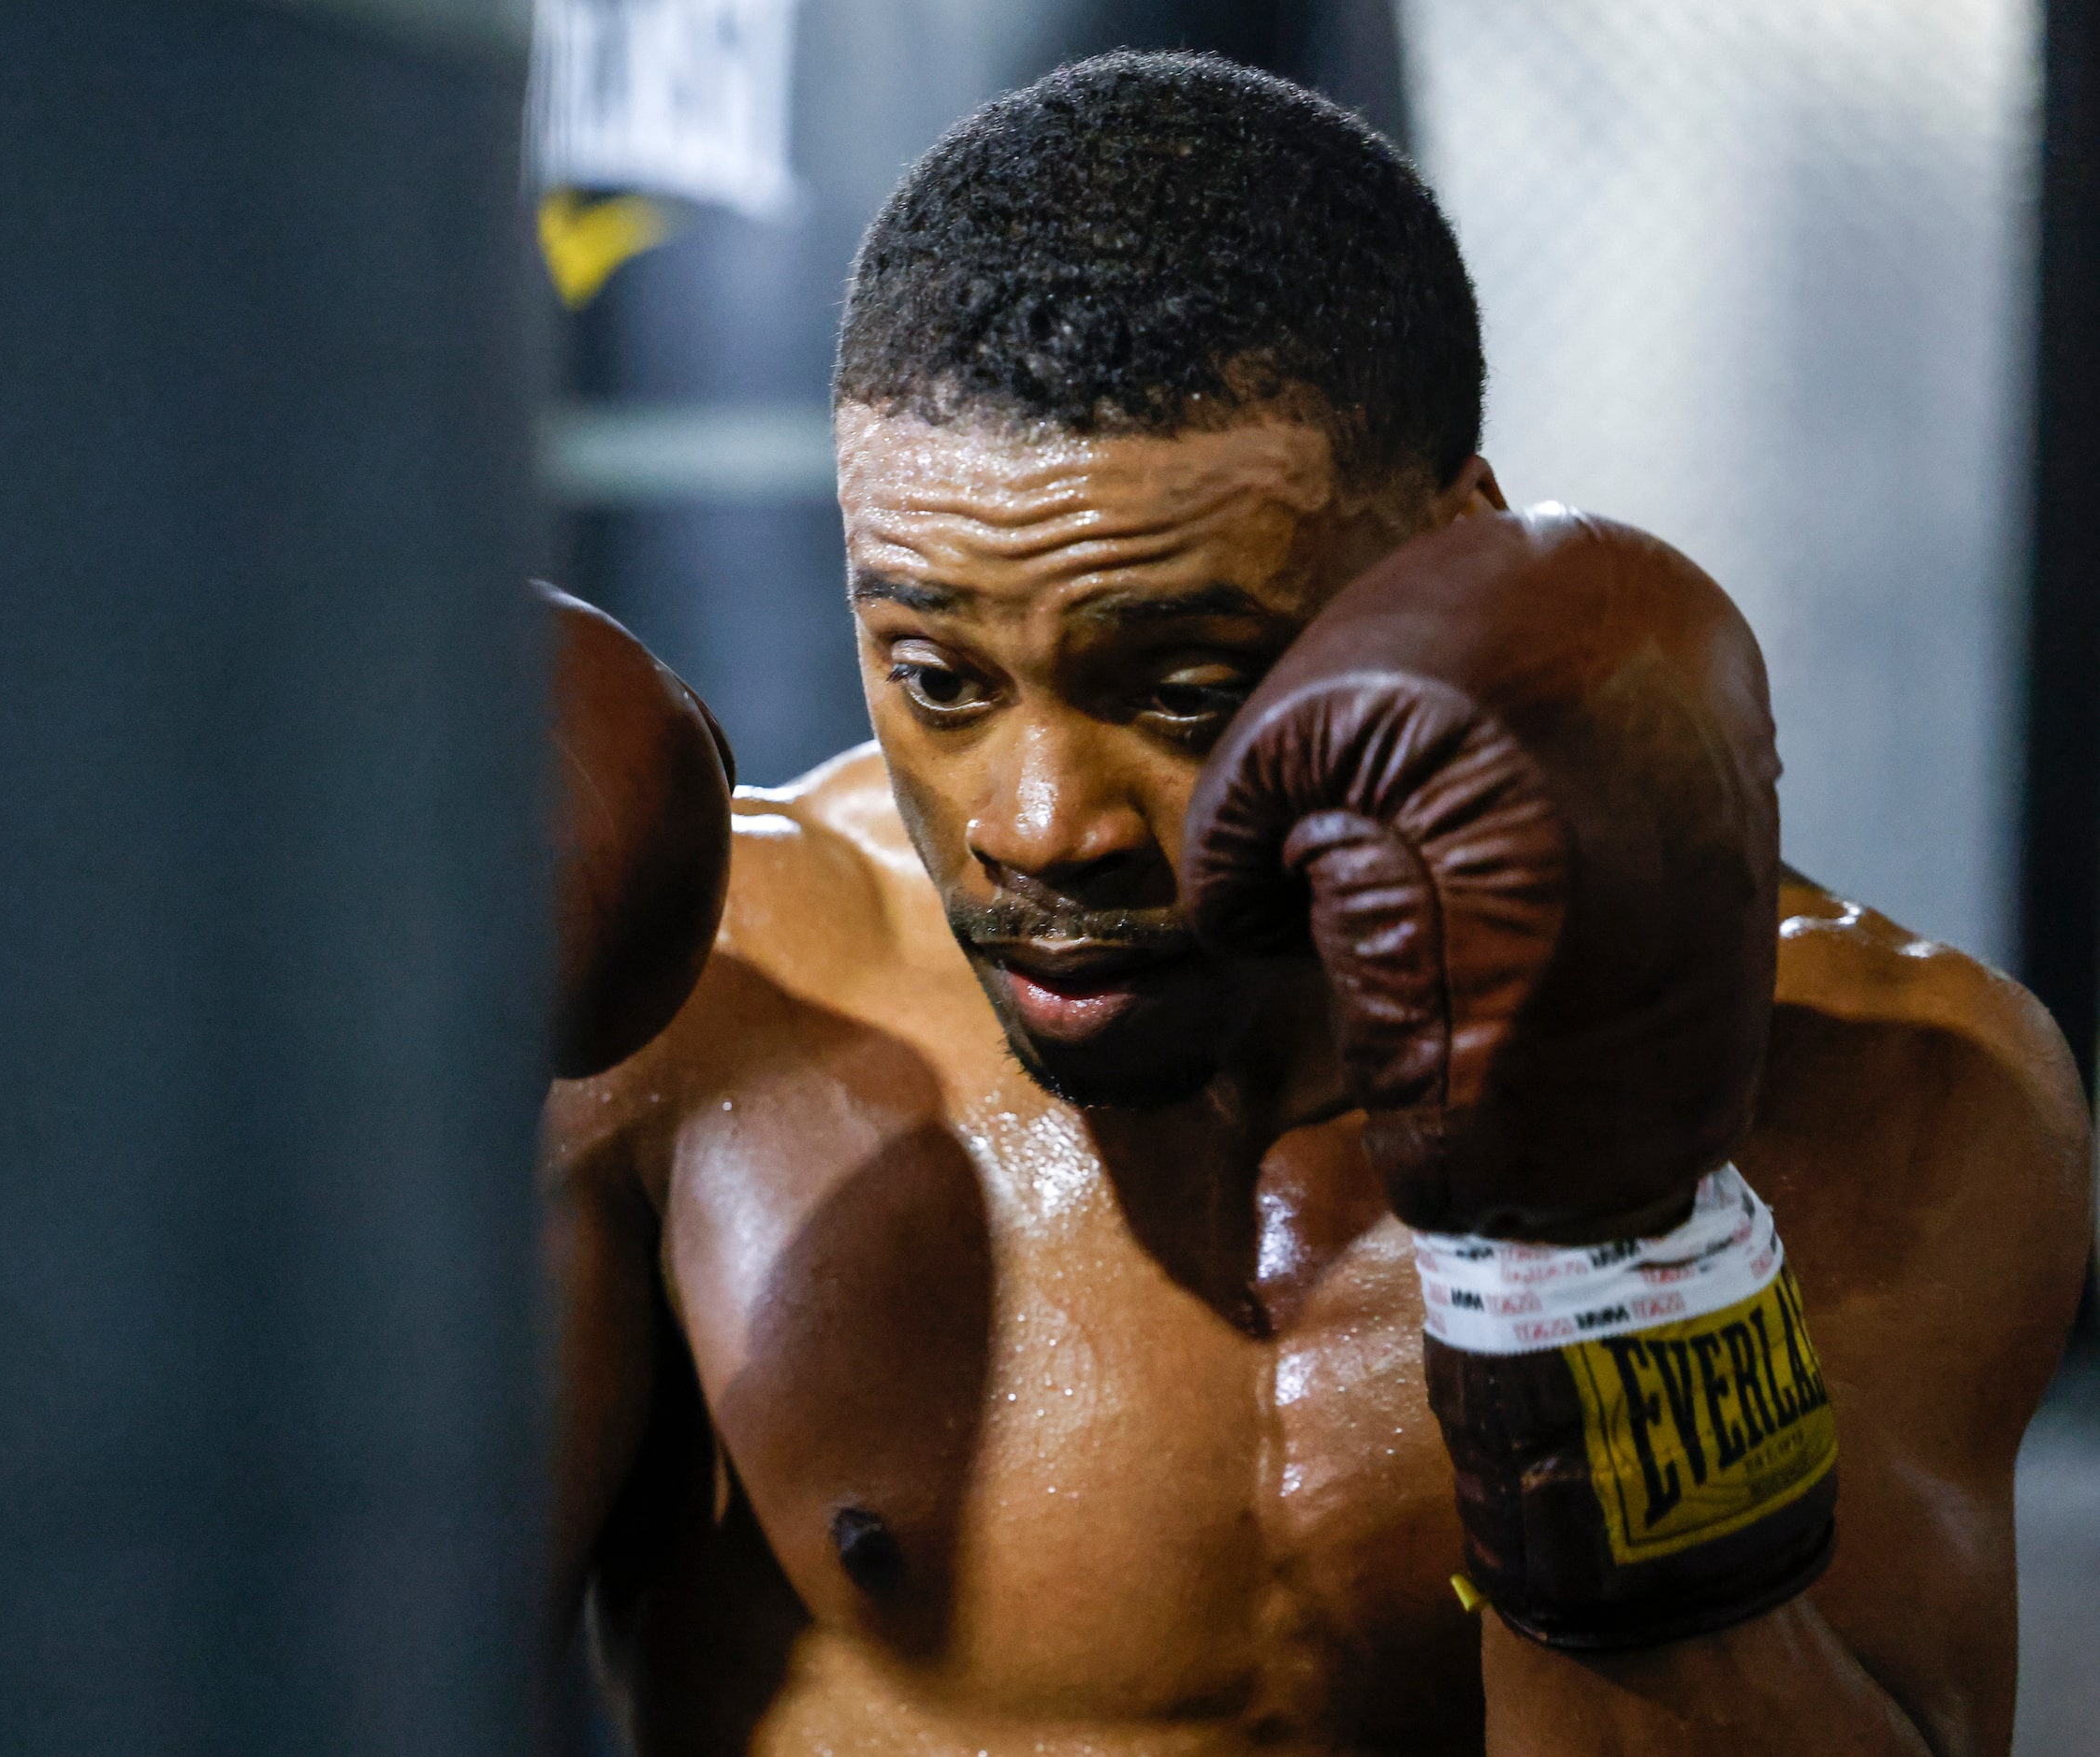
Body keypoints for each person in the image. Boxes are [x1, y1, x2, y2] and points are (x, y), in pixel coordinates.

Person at [543, 52, 2093, 1755]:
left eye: (1188, 688)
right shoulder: (707, 1007)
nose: (1041, 825)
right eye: (938, 676)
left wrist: (1598, 1269)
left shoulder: (1887, 1089)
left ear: (1447, 559)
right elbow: (303, 1650)